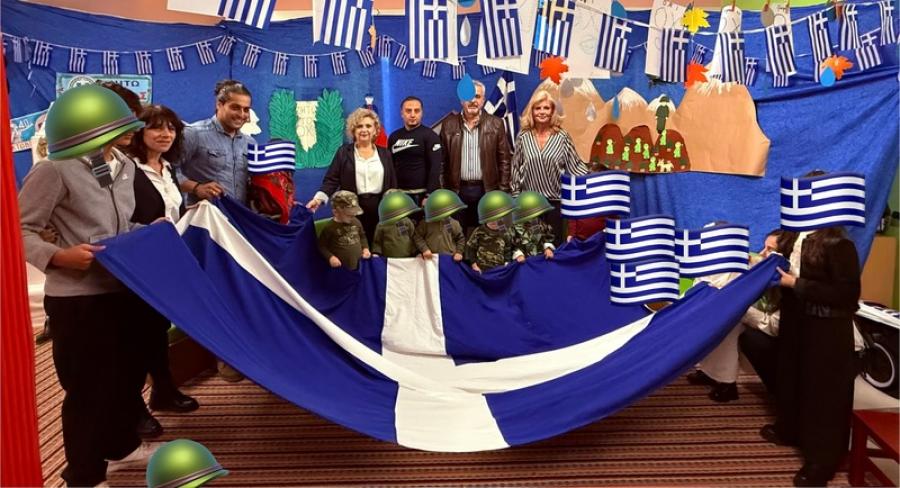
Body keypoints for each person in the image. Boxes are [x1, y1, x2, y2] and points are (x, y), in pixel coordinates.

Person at [19, 84, 157, 487]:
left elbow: (116, 225)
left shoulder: (122, 165)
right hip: (78, 300)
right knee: (87, 388)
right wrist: (57, 256)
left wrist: (149, 232)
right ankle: (84, 474)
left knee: (124, 378)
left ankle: (120, 446)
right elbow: (18, 230)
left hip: (122, 291)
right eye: (122, 121)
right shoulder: (54, 169)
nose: (132, 129)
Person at [760, 176, 861, 486]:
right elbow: (780, 265)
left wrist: (796, 284)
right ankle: (790, 429)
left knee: (823, 392)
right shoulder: (793, 236)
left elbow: (847, 295)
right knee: (791, 377)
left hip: (826, 328)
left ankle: (822, 461)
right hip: (796, 320)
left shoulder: (839, 245)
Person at [126, 104, 200, 435]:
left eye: (171, 128)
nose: (165, 134)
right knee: (134, 336)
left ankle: (164, 390)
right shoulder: (127, 169)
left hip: (165, 262)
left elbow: (171, 212)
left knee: (156, 330)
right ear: (139, 132)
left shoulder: (168, 169)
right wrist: (146, 230)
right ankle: (133, 408)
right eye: (156, 127)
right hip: (136, 263)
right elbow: (117, 218)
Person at [686, 229, 797, 402]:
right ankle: (711, 372)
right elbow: (753, 262)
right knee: (718, 314)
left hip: (779, 339)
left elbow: (775, 326)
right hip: (758, 321)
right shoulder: (765, 268)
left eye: (770, 250)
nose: (762, 253)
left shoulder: (791, 283)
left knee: (728, 321)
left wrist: (738, 306)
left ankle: (726, 382)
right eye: (764, 247)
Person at [306, 108, 397, 243]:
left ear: (375, 130)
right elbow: (331, 180)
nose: (364, 130)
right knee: (355, 248)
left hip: (380, 209)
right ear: (353, 130)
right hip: (351, 209)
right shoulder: (343, 153)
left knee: (378, 247)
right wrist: (318, 199)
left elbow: (392, 183)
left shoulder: (385, 154)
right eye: (359, 126)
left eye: (368, 126)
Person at [510, 90, 589, 244]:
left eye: (546, 108)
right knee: (531, 248)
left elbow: (575, 167)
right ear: (531, 111)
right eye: (537, 108)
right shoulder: (523, 136)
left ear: (552, 111)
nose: (542, 112)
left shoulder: (562, 137)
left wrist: (595, 179)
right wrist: (515, 198)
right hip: (528, 204)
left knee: (553, 248)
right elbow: (516, 169)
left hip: (555, 204)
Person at [440, 80, 512, 233]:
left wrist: (502, 192)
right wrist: (443, 192)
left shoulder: (496, 124)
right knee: (457, 235)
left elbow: (505, 161)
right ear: (461, 100)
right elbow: (441, 162)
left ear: (483, 100)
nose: (473, 101)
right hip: (457, 191)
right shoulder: (448, 124)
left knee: (487, 236)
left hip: (487, 190)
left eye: (477, 96)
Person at [178, 79, 255, 205]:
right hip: (204, 214)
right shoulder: (193, 133)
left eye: (246, 109)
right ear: (219, 105)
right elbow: (168, 171)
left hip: (240, 214)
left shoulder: (250, 143)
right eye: (235, 108)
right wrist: (196, 188)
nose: (242, 114)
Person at [387, 96, 443, 207]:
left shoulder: (430, 136)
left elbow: (435, 167)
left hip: (422, 195)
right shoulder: (394, 137)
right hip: (400, 195)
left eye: (416, 111)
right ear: (401, 113)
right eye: (408, 111)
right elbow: (390, 167)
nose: (412, 115)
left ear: (422, 113)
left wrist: (429, 195)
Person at [465, 190, 519, 273]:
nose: (494, 222)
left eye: (497, 219)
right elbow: (471, 248)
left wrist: (507, 263)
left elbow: (508, 249)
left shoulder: (505, 232)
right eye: (491, 219)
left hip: (499, 269)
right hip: (481, 269)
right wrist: (474, 264)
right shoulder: (479, 231)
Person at [318, 191, 372, 270]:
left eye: (354, 214)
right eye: (349, 215)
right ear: (336, 212)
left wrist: (366, 249)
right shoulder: (330, 228)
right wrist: (331, 257)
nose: (353, 216)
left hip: (360, 265)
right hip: (342, 268)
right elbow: (322, 247)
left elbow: (362, 236)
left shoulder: (356, 221)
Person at [414, 189, 467, 262]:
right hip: (430, 258)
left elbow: (460, 238)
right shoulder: (425, 223)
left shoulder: (454, 223)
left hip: (449, 258)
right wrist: (425, 249)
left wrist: (459, 252)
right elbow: (417, 236)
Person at [371, 191, 421, 258]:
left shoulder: (407, 221)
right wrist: (376, 253)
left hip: (407, 257)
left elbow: (413, 237)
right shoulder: (381, 224)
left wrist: (416, 252)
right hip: (389, 259)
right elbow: (377, 242)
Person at [512, 191, 556, 261]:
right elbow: (512, 245)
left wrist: (548, 248)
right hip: (523, 260)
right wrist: (519, 254)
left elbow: (548, 238)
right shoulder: (515, 227)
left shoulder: (541, 224)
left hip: (540, 258)